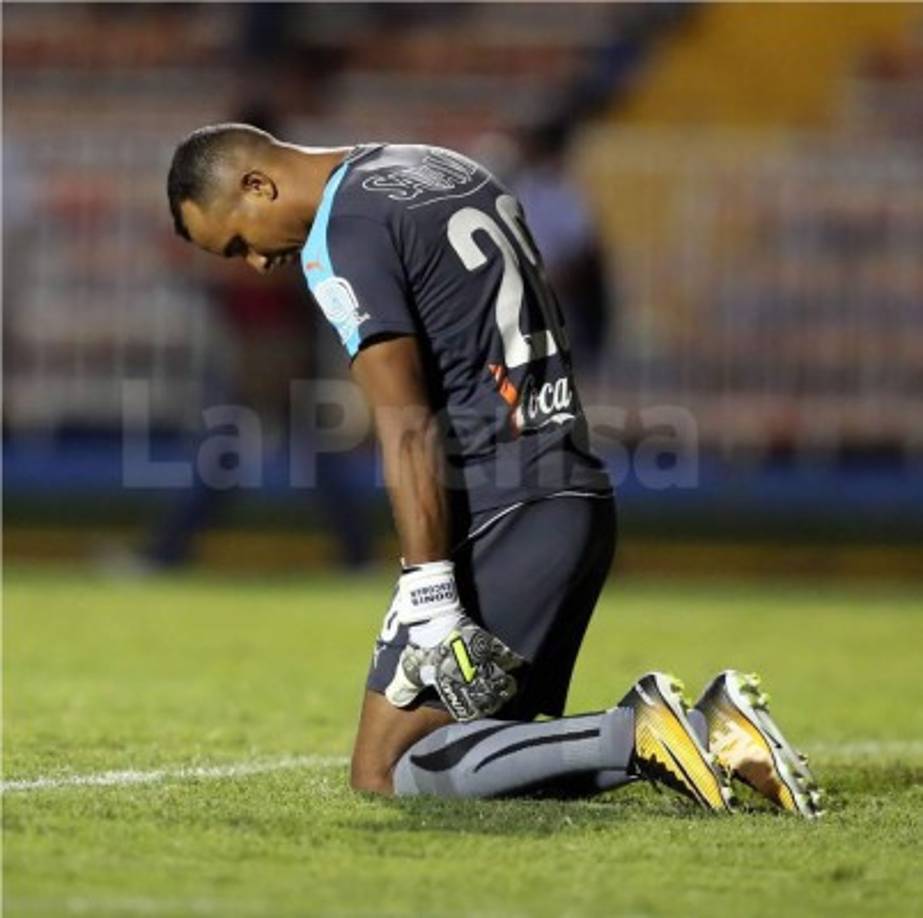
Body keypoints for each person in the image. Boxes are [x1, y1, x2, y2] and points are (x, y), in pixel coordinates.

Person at [166, 124, 822, 816]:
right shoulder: (433, 165)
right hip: (563, 485)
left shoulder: (341, 234)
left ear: (257, 185)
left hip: (499, 502)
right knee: (472, 750)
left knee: (389, 771)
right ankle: (710, 738)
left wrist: (428, 592)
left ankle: (669, 732)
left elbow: (406, 424)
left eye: (238, 242)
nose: (255, 264)